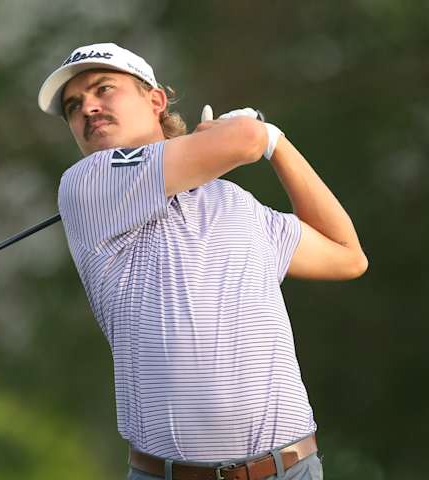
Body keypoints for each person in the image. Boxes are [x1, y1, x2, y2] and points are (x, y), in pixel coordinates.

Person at [38, 42, 367, 480]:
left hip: (291, 468)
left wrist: (280, 145)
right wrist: (254, 135)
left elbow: (347, 255)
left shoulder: (237, 204)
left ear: (155, 100)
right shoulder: (88, 184)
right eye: (74, 106)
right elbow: (246, 139)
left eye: (103, 90)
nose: (88, 109)